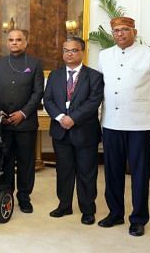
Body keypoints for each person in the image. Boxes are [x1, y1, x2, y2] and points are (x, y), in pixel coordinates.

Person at [97, 17, 150, 237]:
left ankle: (138, 218)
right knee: (112, 171)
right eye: (116, 30)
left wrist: (145, 110)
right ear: (112, 33)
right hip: (111, 122)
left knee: (139, 173)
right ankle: (115, 213)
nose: (120, 34)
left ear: (134, 32)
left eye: (125, 30)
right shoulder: (104, 55)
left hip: (140, 124)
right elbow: (100, 87)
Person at [43, 36, 104, 225]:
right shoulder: (55, 75)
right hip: (61, 132)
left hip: (85, 132)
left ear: (82, 52)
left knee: (86, 172)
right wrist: (61, 118)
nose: (69, 53)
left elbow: (94, 101)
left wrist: (73, 118)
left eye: (73, 50)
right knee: (64, 170)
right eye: (65, 50)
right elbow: (48, 100)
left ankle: (88, 209)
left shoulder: (94, 76)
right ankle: (65, 205)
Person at [0, 29, 44, 213]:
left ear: (25, 43)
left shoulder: (35, 64)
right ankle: (6, 192)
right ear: (7, 43)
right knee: (5, 159)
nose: (14, 43)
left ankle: (24, 196)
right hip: (4, 122)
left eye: (19, 40)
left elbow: (38, 93)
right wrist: (0, 113)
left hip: (25, 123)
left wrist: (23, 113)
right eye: (11, 40)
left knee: (26, 161)